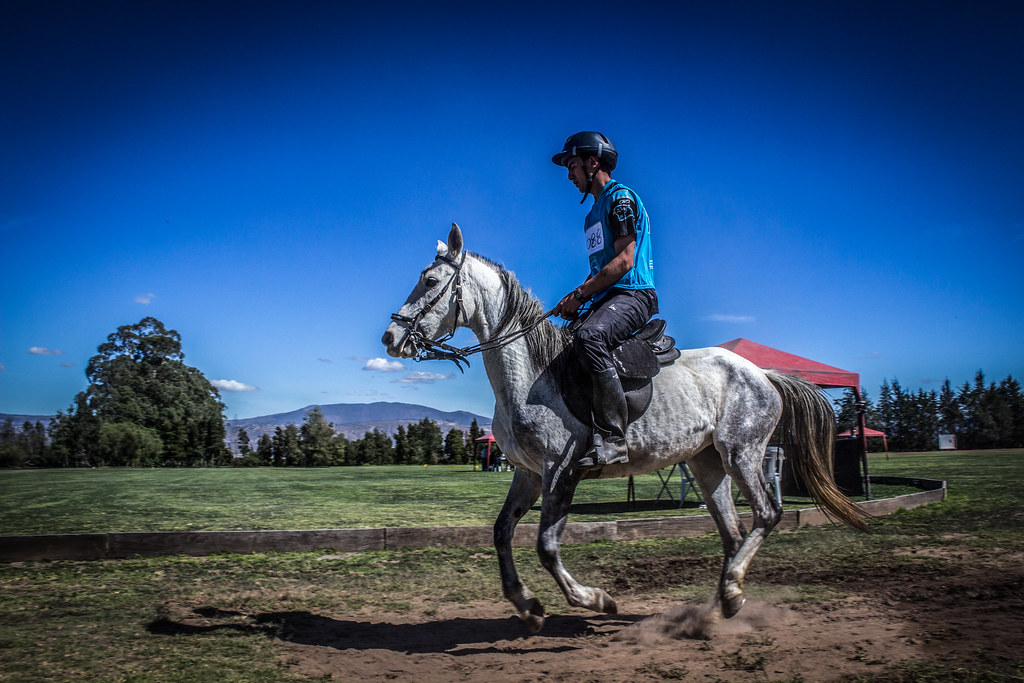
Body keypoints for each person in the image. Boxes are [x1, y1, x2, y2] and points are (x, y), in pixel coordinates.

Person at [551, 131, 658, 468]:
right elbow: (600, 268)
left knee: (590, 337)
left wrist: (581, 293)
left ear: (592, 162)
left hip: (634, 294)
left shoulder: (621, 199)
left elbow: (624, 261)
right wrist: (574, 296)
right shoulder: (590, 217)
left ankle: (613, 439)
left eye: (572, 166)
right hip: (609, 295)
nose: (569, 175)